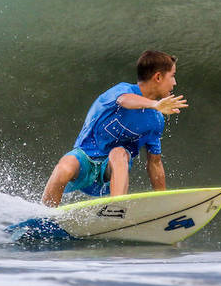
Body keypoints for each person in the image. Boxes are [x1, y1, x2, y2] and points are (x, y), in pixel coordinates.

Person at [40, 50, 188, 207]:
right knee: (65, 166)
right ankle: (45, 214)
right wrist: (154, 104)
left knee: (118, 152)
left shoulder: (156, 120)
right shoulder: (122, 90)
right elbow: (124, 100)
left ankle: (116, 208)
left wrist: (163, 202)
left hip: (111, 173)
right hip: (84, 162)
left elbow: (155, 163)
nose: (174, 83)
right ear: (158, 77)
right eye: (172, 76)